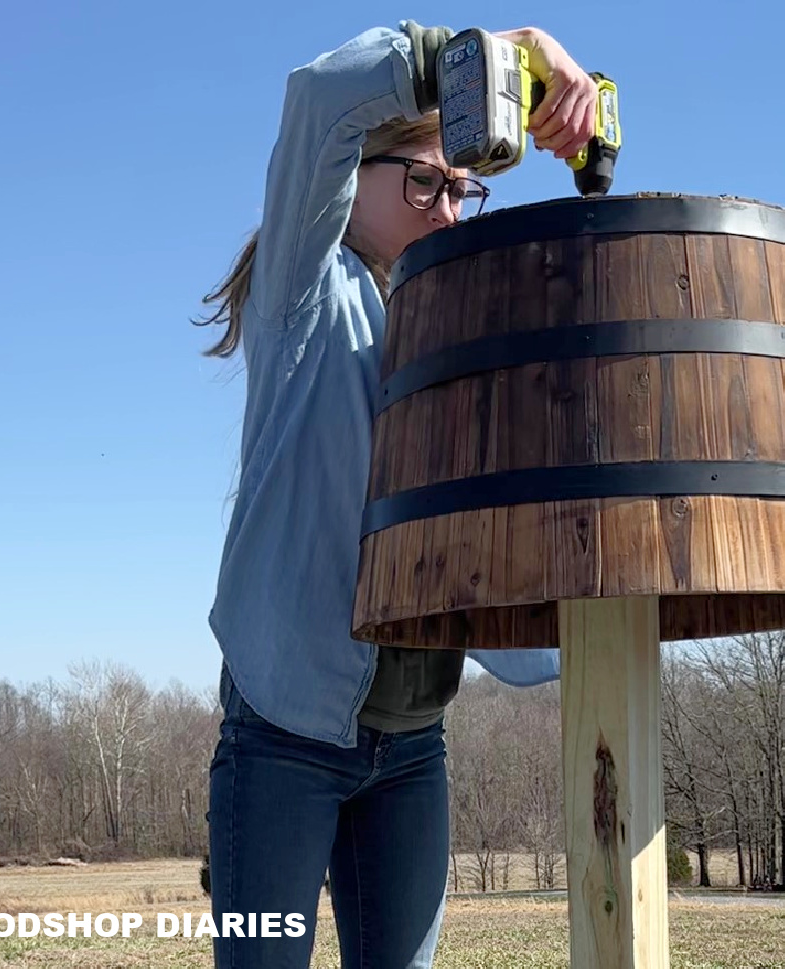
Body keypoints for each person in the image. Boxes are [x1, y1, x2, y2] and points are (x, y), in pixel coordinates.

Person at [194, 20, 600, 969]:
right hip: (283, 736)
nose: (449, 210)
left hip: (415, 744)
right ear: (353, 177)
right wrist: (498, 54)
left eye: (462, 187)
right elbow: (317, 100)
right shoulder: (305, 291)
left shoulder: (445, 322)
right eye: (425, 182)